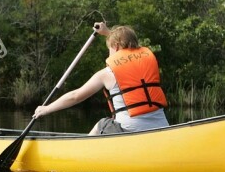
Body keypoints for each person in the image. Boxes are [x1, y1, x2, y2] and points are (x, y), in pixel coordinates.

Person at [33, 22, 169, 135]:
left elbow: (75, 96)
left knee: (102, 124)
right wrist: (108, 32)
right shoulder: (148, 61)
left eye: (109, 47)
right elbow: (124, 43)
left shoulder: (106, 74)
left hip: (130, 132)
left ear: (115, 47)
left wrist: (46, 109)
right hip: (161, 129)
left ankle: (83, 155)